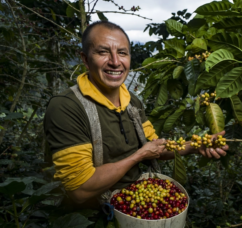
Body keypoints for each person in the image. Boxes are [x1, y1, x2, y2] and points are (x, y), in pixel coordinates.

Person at [44, 21, 228, 208]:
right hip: (93, 218)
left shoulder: (132, 101)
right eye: (103, 52)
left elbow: (154, 147)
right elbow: (79, 190)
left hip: (135, 205)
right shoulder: (67, 107)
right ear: (85, 59)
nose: (115, 62)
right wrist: (138, 156)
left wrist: (195, 146)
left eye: (122, 53)